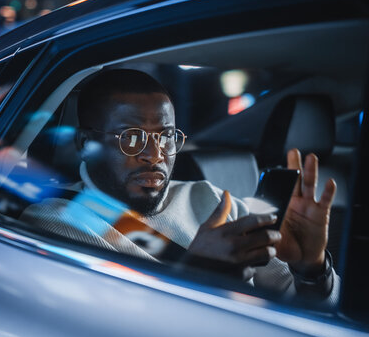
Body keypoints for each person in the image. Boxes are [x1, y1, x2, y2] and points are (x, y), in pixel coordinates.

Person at [20, 69, 338, 303]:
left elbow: (307, 311)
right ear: (86, 143)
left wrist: (311, 268)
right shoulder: (53, 223)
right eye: (132, 137)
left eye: (167, 136)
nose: (155, 155)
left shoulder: (212, 200)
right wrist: (193, 278)